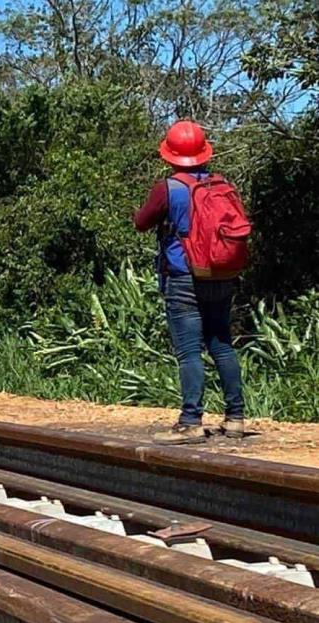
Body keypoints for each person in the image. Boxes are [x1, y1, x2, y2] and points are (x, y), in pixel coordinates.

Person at [134, 120, 246, 445]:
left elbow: (142, 223)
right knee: (222, 343)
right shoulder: (222, 184)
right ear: (203, 152)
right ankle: (235, 418)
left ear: (170, 155)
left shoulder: (169, 189)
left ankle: (191, 421)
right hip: (221, 274)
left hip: (184, 277)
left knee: (188, 352)